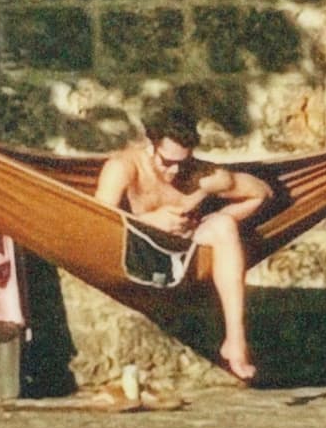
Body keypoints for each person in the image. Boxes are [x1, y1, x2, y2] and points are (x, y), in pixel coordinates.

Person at [95, 100, 271, 382]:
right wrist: (151, 222)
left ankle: (235, 341)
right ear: (150, 145)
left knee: (224, 226)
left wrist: (209, 217)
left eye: (183, 162)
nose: (176, 171)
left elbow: (261, 193)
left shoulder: (201, 175)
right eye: (168, 162)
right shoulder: (125, 167)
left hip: (187, 246)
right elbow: (97, 221)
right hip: (138, 248)